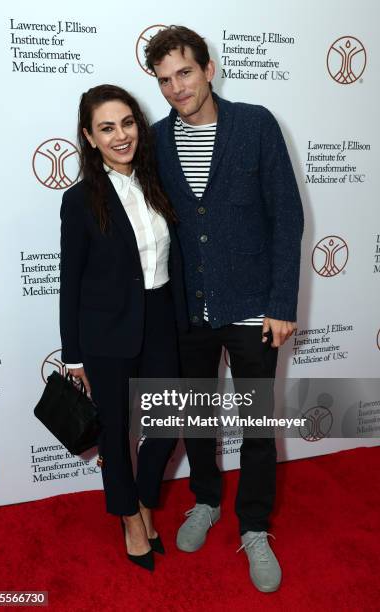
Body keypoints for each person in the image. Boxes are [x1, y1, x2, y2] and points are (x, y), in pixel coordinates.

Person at [145, 26, 304, 592]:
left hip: (253, 306)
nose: (176, 88)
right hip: (188, 308)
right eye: (164, 80)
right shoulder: (157, 141)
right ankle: (207, 499)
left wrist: (282, 303)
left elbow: (287, 217)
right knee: (196, 416)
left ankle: (255, 525)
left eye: (184, 73)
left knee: (258, 423)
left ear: (208, 69)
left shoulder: (256, 124)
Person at [59, 84, 188, 572]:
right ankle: (130, 517)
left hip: (161, 321)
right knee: (115, 435)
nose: (120, 135)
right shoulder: (79, 201)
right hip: (106, 332)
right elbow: (69, 283)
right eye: (107, 128)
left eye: (127, 123)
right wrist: (73, 355)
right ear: (90, 138)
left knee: (168, 422)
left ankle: (145, 500)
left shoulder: (157, 184)